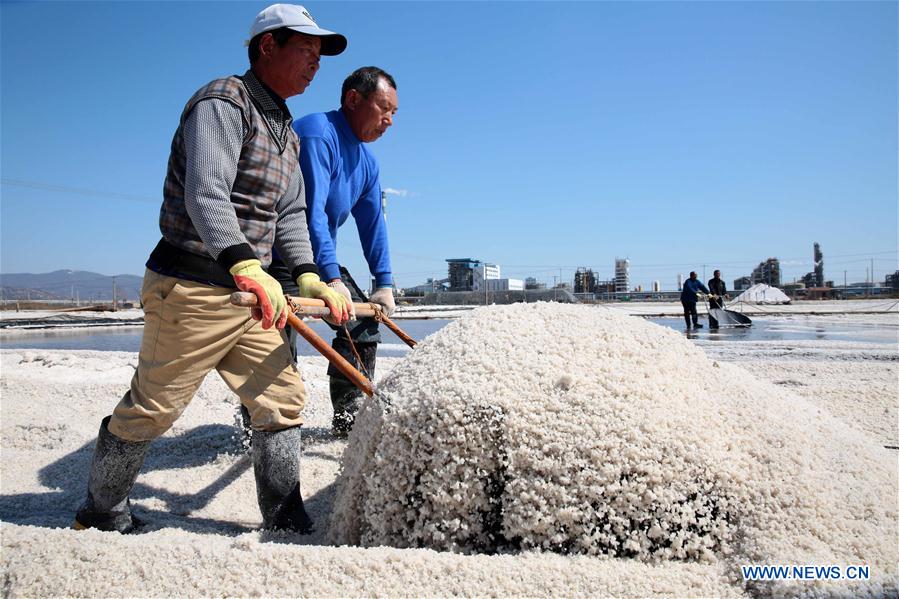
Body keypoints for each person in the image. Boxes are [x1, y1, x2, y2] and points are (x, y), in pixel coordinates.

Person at [73, 4, 350, 535]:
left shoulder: (285, 126)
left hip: (253, 294)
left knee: (282, 399)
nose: (315, 66)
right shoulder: (224, 102)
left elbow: (288, 213)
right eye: (306, 52)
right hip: (193, 285)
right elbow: (206, 195)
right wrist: (245, 262)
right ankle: (101, 510)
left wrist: (311, 274)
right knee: (154, 408)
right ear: (268, 46)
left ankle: (284, 514)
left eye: (320, 56)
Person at [268, 66, 398, 437]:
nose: (389, 120)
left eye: (394, 113)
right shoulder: (317, 135)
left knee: (364, 325)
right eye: (383, 108)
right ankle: (263, 427)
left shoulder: (368, 163)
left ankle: (349, 420)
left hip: (322, 261)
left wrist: (383, 282)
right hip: (278, 258)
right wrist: (330, 275)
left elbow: (374, 225)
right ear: (353, 100)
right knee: (277, 346)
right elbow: (311, 214)